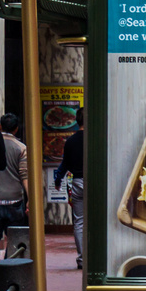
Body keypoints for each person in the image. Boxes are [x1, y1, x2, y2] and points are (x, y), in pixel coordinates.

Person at [0, 113, 29, 237]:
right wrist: (30, 199)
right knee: (16, 240)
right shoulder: (21, 148)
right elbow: (24, 175)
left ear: (0, 127)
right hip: (15, 200)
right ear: (16, 129)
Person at [52, 108, 84, 268]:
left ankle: (82, 260)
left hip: (77, 182)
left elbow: (65, 164)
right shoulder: (97, 138)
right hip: (96, 182)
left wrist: (58, 179)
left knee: (79, 222)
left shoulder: (70, 141)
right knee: (99, 221)